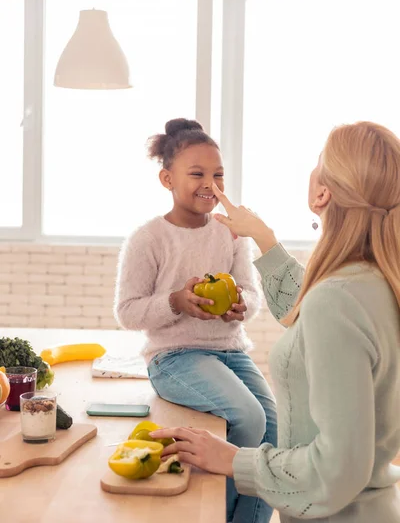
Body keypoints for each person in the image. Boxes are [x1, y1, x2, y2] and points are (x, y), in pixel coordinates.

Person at [151, 121, 400, 523]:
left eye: (320, 160)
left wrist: (233, 460)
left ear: (323, 193)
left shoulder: (338, 298)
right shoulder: (377, 279)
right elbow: (310, 317)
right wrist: (265, 240)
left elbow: (336, 470)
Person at [114, 118, 277, 523]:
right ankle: (210, 513)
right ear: (167, 179)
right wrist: (176, 302)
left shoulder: (230, 233)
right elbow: (128, 311)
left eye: (218, 174)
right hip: (174, 358)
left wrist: (241, 305)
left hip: (230, 352)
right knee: (249, 418)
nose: (211, 183)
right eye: (197, 173)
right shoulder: (148, 239)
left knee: (277, 432)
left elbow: (252, 295)